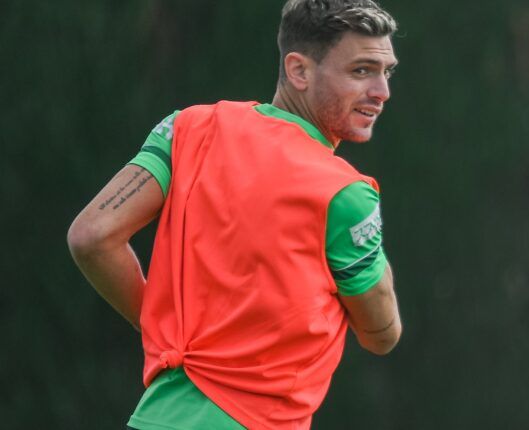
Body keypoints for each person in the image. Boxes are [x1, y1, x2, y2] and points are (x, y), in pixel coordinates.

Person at [66, 0, 402, 428]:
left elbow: (92, 235)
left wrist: (161, 325)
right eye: (361, 71)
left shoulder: (188, 128)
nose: (381, 91)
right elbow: (381, 334)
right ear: (299, 70)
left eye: (386, 71)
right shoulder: (344, 194)